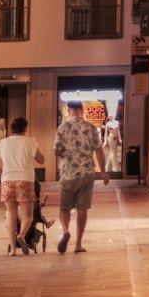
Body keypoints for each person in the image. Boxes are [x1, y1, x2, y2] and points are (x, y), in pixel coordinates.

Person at [54, 100, 110, 253]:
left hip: (68, 174)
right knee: (82, 209)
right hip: (86, 173)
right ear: (82, 110)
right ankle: (78, 244)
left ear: (68, 109)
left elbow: (56, 152)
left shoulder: (62, 127)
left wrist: (68, 151)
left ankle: (66, 232)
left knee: (64, 208)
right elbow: (99, 151)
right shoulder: (91, 128)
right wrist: (103, 172)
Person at [0, 116, 44, 255]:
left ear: (11, 129)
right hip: (25, 179)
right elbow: (41, 160)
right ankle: (21, 236)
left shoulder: (2, 143)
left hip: (7, 179)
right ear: (25, 128)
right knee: (28, 216)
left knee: (11, 213)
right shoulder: (30, 142)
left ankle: (12, 249)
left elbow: (0, 166)